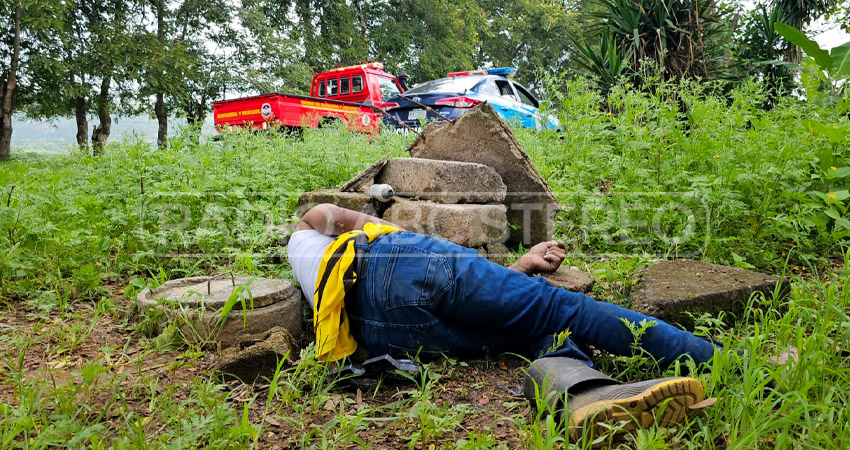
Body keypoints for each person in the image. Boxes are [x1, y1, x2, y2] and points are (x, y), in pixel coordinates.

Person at [287, 203, 718, 441]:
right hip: (395, 262)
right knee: (562, 309)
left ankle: (583, 394)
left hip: (381, 334)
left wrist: (522, 265)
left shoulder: (310, 281)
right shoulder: (309, 223)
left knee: (530, 330)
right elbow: (361, 224)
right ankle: (723, 360)